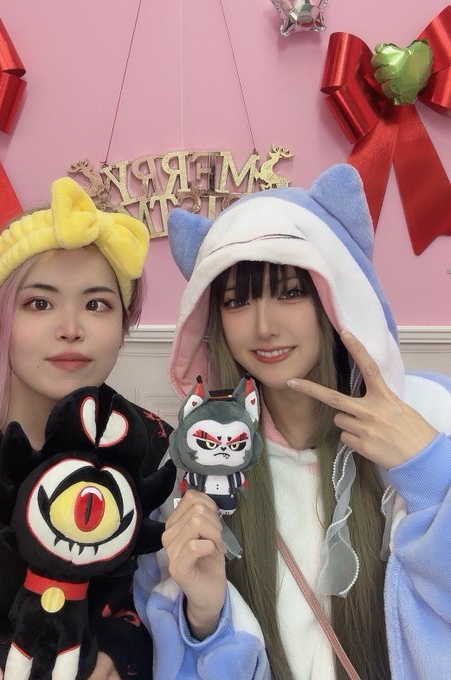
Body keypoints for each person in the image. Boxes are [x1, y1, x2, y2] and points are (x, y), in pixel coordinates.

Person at [134, 163, 451, 679]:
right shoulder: (201, 469)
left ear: (333, 295)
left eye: (289, 292)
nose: (264, 327)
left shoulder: (431, 413)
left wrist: (430, 469)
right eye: (237, 300)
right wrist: (205, 617)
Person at [0, 177, 174, 680]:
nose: (71, 328)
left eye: (97, 304)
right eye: (39, 303)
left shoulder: (158, 449)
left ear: (124, 323)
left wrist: (123, 654)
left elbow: (178, 610)